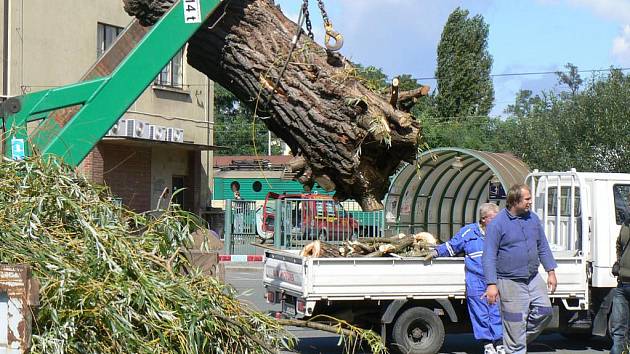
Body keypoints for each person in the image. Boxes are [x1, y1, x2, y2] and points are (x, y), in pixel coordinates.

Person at [483, 184, 557, 354]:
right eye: (527, 199)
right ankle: (515, 344)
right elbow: (488, 256)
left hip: (532, 277)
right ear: (515, 201)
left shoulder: (533, 219)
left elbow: (543, 246)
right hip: (509, 282)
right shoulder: (497, 224)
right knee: (514, 322)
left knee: (545, 311)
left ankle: (514, 340)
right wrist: (491, 284)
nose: (530, 202)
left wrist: (551, 272)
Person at [427, 203, 504, 354]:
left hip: (495, 279)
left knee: (496, 311)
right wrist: (436, 252)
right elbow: (452, 246)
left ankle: (500, 342)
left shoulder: (500, 232)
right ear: (483, 219)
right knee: (480, 313)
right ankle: (487, 344)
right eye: (493, 218)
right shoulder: (469, 232)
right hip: (475, 279)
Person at [609, 220, 630, 354]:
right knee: (618, 331)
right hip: (622, 284)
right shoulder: (626, 224)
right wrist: (619, 262)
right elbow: (618, 244)